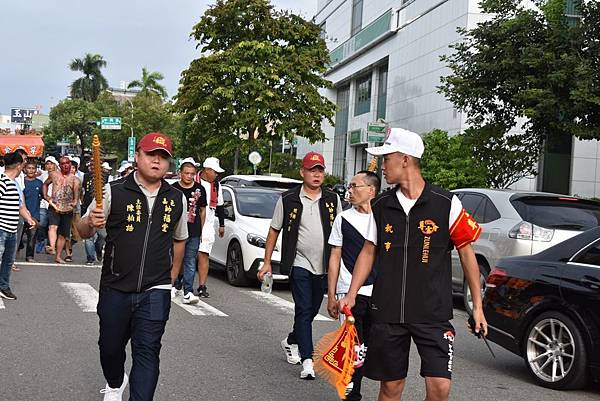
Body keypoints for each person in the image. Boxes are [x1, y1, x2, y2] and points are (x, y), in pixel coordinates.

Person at [338, 128, 487, 401]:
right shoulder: (381, 204)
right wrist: (351, 293)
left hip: (432, 312)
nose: (382, 166)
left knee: (440, 387)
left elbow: (467, 253)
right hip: (389, 311)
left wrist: (477, 307)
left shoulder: (446, 203)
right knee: (391, 388)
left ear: (405, 159)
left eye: (387, 159)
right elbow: (369, 251)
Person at [77, 132, 187, 401]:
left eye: (163, 157)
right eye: (151, 155)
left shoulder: (176, 198)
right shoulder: (113, 191)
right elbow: (81, 231)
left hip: (155, 289)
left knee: (147, 351)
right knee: (110, 348)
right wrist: (91, 220)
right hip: (116, 286)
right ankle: (115, 382)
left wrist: (171, 278)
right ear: (137, 156)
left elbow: (180, 239)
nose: (157, 161)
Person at [258, 151, 342, 379]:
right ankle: (308, 360)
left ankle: (292, 339)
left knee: (312, 310)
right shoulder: (288, 199)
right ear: (302, 173)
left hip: (323, 265)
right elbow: (274, 230)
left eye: (320, 170)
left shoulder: (332, 199)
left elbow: (340, 234)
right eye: (312, 170)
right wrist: (267, 262)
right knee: (304, 309)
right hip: (299, 263)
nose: (316, 174)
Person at [326, 170, 380, 401]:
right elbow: (335, 256)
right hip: (349, 293)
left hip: (378, 293)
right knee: (351, 347)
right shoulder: (343, 218)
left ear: (371, 190)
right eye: (349, 186)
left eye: (355, 186)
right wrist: (331, 294)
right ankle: (350, 394)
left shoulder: (383, 218)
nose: (350, 191)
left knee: (369, 348)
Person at [0, 152, 36, 300]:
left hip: (12, 229)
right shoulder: (2, 181)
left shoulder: (15, 183)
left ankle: (3, 287)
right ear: (18, 165)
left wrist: (29, 219)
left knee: (8, 260)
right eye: (23, 163)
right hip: (1, 228)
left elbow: (20, 206)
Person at [171, 157, 207, 304]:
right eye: (186, 173)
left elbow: (203, 211)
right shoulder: (173, 189)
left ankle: (188, 291)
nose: (189, 176)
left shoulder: (200, 189)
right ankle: (173, 284)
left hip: (193, 231)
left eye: (192, 174)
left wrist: (201, 229)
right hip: (175, 232)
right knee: (174, 259)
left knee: (190, 261)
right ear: (180, 173)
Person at [195, 157, 225, 298]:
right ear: (207, 170)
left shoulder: (217, 185)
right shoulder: (194, 181)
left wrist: (222, 225)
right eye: (214, 171)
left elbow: (220, 206)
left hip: (208, 224)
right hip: (192, 221)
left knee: (204, 254)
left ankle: (202, 286)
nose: (216, 175)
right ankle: (179, 282)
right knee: (186, 254)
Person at [42, 155, 80, 263]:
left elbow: (76, 195)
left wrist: (74, 202)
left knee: (63, 234)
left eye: (67, 163)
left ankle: (58, 256)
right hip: (54, 205)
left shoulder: (75, 179)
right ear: (59, 165)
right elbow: (45, 184)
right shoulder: (53, 175)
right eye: (62, 164)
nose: (65, 165)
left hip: (67, 208)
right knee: (52, 226)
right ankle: (52, 248)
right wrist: (46, 196)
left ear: (70, 164)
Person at [81, 161, 110, 264]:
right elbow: (82, 190)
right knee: (89, 236)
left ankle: (98, 249)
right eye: (91, 165)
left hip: (102, 210)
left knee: (102, 236)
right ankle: (90, 257)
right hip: (88, 208)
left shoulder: (107, 178)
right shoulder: (85, 176)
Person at [22, 159, 44, 262]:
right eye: (29, 168)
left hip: (34, 214)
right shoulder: (21, 182)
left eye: (33, 168)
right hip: (21, 214)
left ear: (36, 170)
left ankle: (29, 256)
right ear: (24, 169)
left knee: (32, 237)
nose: (31, 170)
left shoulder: (39, 183)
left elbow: (44, 196)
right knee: (18, 236)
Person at [36, 156, 58, 254]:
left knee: (52, 226)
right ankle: (41, 240)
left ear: (55, 165)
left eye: (51, 164)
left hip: (55, 205)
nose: (49, 166)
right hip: (43, 204)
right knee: (42, 224)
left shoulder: (59, 175)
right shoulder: (42, 175)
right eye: (47, 164)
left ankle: (51, 245)